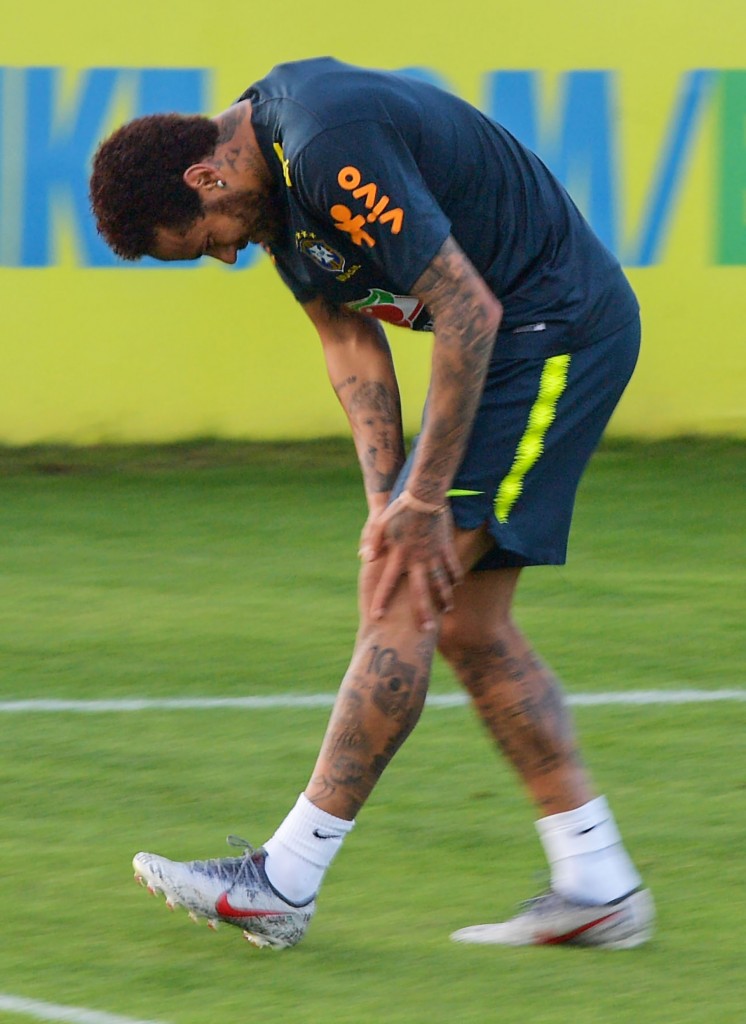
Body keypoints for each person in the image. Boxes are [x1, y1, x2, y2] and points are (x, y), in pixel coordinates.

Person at [89, 57, 654, 951]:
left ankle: (284, 878)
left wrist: (421, 502)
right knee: (464, 623)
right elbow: (348, 339)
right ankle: (599, 881)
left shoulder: (325, 148)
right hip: (514, 334)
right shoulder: (267, 189)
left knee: (403, 596)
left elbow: (467, 311)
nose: (230, 254)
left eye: (207, 239)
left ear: (206, 177)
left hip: (555, 327)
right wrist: (383, 501)